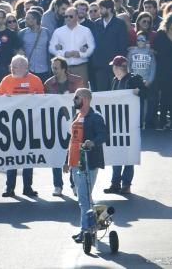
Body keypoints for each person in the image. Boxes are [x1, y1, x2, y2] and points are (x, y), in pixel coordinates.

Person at [0, 55, 45, 198]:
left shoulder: (35, 80)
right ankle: (9, 187)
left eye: (15, 66)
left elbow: (44, 101)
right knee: (12, 157)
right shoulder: (6, 80)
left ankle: (27, 187)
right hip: (11, 126)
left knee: (28, 158)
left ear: (25, 67)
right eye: (11, 65)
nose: (12, 68)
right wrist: (3, 98)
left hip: (30, 125)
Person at [64, 88, 108, 244]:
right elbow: (72, 141)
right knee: (84, 197)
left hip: (88, 162)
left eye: (77, 98)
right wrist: (67, 161)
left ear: (86, 99)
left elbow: (104, 135)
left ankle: (85, 231)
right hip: (75, 162)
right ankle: (100, 220)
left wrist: (93, 142)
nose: (74, 100)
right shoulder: (77, 116)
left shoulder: (95, 118)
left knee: (84, 198)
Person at [44, 56, 83, 197]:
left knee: (73, 154)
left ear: (64, 69)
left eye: (56, 68)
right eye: (52, 67)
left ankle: (75, 185)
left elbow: (83, 100)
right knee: (56, 154)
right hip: (55, 124)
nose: (53, 70)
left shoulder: (77, 81)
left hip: (74, 122)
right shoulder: (48, 84)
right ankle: (57, 185)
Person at [104, 56, 143, 194]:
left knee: (128, 154)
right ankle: (115, 183)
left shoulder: (134, 79)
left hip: (131, 123)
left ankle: (126, 184)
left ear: (119, 68)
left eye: (114, 67)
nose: (113, 69)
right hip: (117, 124)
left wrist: (138, 92)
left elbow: (145, 93)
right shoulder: (115, 81)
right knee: (116, 152)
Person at [48, 5, 94, 84]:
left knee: (82, 90)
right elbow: (51, 48)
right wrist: (63, 54)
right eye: (66, 16)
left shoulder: (86, 30)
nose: (68, 18)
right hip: (63, 68)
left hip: (81, 66)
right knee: (64, 92)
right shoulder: (58, 31)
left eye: (70, 16)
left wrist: (80, 54)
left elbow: (92, 47)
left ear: (76, 17)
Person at [90, 0, 129, 91]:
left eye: (102, 8)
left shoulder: (119, 24)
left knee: (115, 92)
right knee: (101, 93)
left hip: (116, 66)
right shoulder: (96, 24)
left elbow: (123, 45)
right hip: (100, 66)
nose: (100, 11)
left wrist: (120, 64)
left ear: (109, 9)